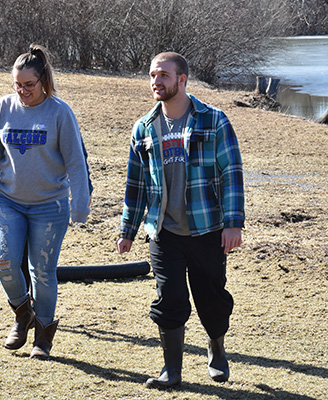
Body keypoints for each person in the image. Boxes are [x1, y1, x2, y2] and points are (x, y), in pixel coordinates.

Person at [116, 52, 244, 389]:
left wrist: (233, 222)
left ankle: (216, 345)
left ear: (182, 80)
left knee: (211, 297)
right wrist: (127, 230)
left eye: (164, 75)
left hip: (206, 228)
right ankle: (171, 370)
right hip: (163, 230)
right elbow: (136, 183)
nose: (157, 81)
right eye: (153, 76)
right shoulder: (143, 127)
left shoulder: (213, 120)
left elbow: (231, 173)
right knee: (168, 297)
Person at [0, 44, 91, 359]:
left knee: (43, 270)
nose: (23, 91)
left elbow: (76, 162)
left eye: (29, 85)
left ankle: (43, 338)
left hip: (50, 205)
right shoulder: (3, 109)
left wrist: (81, 202)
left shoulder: (59, 111)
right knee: (3, 262)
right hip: (9, 201)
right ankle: (23, 314)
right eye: (18, 85)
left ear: (43, 80)